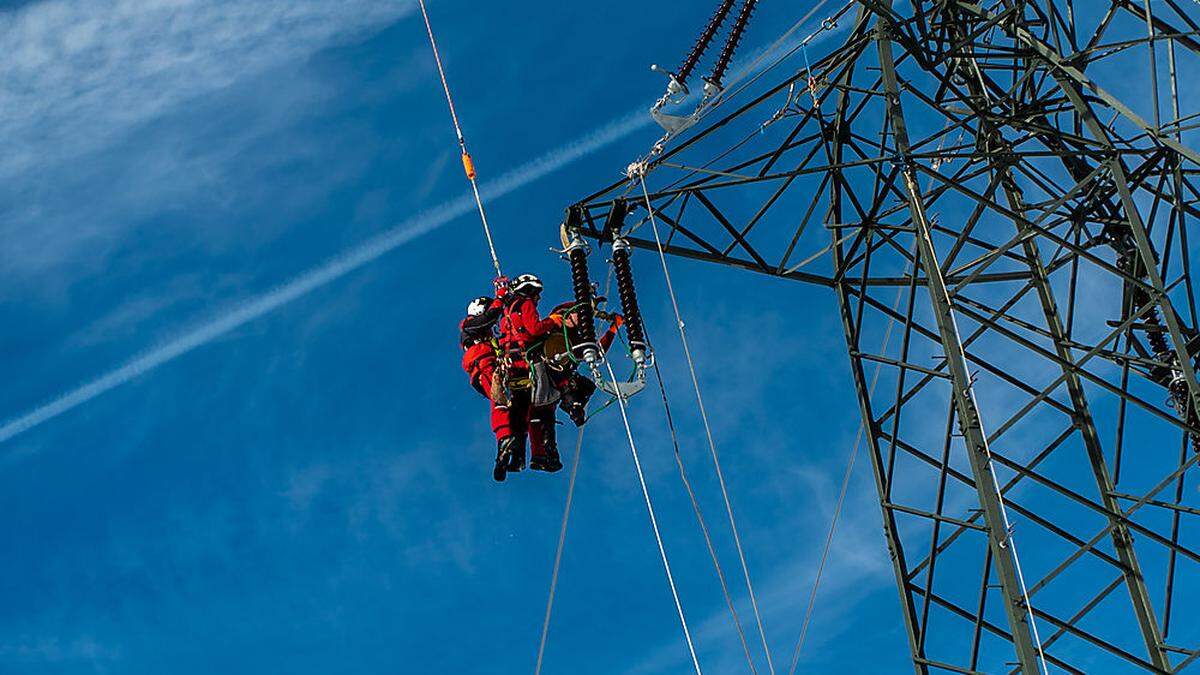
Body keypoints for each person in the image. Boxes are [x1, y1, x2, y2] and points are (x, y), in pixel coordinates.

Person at [498, 274, 565, 474]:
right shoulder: (526, 304)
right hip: (528, 365)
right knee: (545, 406)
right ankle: (544, 454)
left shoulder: (507, 311)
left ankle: (517, 459)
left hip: (512, 367)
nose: (538, 298)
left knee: (519, 413)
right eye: (537, 293)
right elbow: (534, 329)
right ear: (529, 290)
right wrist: (552, 322)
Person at [460, 292, 518, 482]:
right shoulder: (469, 325)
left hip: (491, 363)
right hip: (483, 363)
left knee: (511, 401)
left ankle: (508, 447)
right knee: (499, 398)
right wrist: (500, 300)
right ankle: (504, 437)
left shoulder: (487, 335)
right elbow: (488, 318)